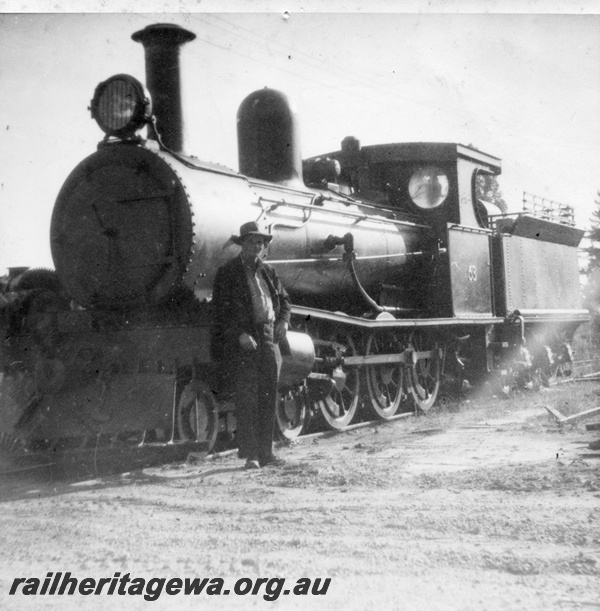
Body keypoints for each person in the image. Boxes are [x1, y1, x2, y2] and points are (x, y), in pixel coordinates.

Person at [211, 221, 291, 470]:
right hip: (246, 339)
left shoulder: (268, 271)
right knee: (248, 398)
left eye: (260, 242)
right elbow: (220, 312)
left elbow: (285, 300)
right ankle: (251, 455)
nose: (257, 246)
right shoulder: (228, 273)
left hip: (268, 336)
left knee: (269, 394)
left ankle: (267, 453)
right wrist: (239, 335)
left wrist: (284, 322)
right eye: (252, 241)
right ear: (242, 244)